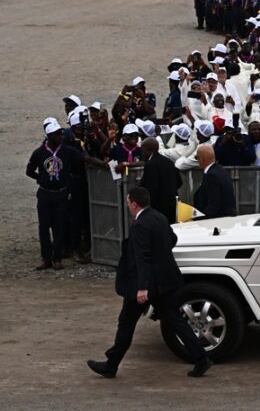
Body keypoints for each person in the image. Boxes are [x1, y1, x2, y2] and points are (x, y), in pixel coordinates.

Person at [87, 187, 213, 379]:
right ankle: (201, 358)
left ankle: (111, 365)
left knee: (126, 323)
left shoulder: (140, 225)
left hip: (146, 286)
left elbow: (141, 259)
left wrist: (142, 287)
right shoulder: (159, 217)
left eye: (129, 202)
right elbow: (172, 239)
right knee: (175, 320)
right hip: (166, 281)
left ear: (135, 204)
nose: (128, 205)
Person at [26, 119, 83, 270]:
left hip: (61, 194)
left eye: (60, 133)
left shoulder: (67, 151)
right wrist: (41, 179)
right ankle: (46, 258)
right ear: (49, 135)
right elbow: (29, 170)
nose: (60, 136)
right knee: (44, 227)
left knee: (59, 226)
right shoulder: (39, 153)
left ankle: (57, 258)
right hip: (45, 194)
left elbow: (81, 161)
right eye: (57, 134)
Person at [139, 138, 183, 224]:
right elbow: (179, 182)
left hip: (158, 208)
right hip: (172, 205)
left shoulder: (150, 165)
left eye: (142, 150)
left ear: (148, 149)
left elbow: (151, 189)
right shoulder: (169, 162)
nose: (142, 152)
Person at [193, 144, 237, 218]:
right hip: (227, 218)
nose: (197, 161)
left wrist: (197, 219)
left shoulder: (211, 176)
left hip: (218, 221)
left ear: (202, 159)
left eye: (197, 158)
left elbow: (214, 206)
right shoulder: (221, 170)